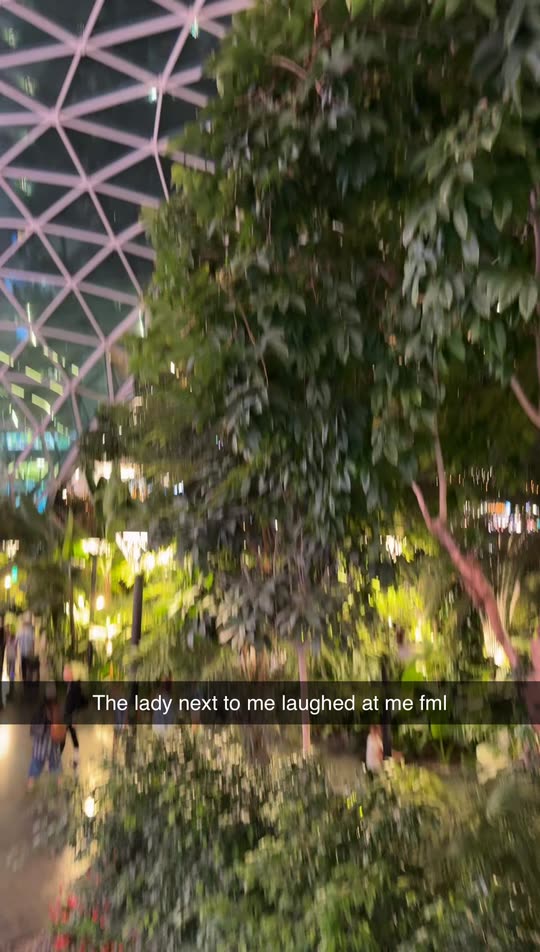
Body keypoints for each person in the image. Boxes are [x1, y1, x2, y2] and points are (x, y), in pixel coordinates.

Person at [28, 691, 64, 791]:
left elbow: (33, 730)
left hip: (42, 747)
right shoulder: (55, 711)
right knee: (55, 766)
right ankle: (60, 787)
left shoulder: (40, 711)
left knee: (37, 765)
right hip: (49, 746)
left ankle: (30, 787)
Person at [61, 662, 86, 768]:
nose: (63, 676)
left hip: (70, 717)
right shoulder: (70, 685)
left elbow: (77, 705)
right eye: (63, 673)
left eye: (65, 673)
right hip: (68, 716)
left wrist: (75, 719)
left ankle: (56, 761)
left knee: (62, 738)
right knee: (72, 737)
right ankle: (76, 760)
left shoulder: (75, 687)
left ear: (70, 674)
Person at [16, 612, 35, 683]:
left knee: (24, 665)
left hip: (23, 652)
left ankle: (25, 679)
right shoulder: (30, 631)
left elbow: (16, 641)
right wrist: (32, 650)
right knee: (28, 666)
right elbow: (33, 641)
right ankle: (27, 679)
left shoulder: (19, 631)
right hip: (28, 651)